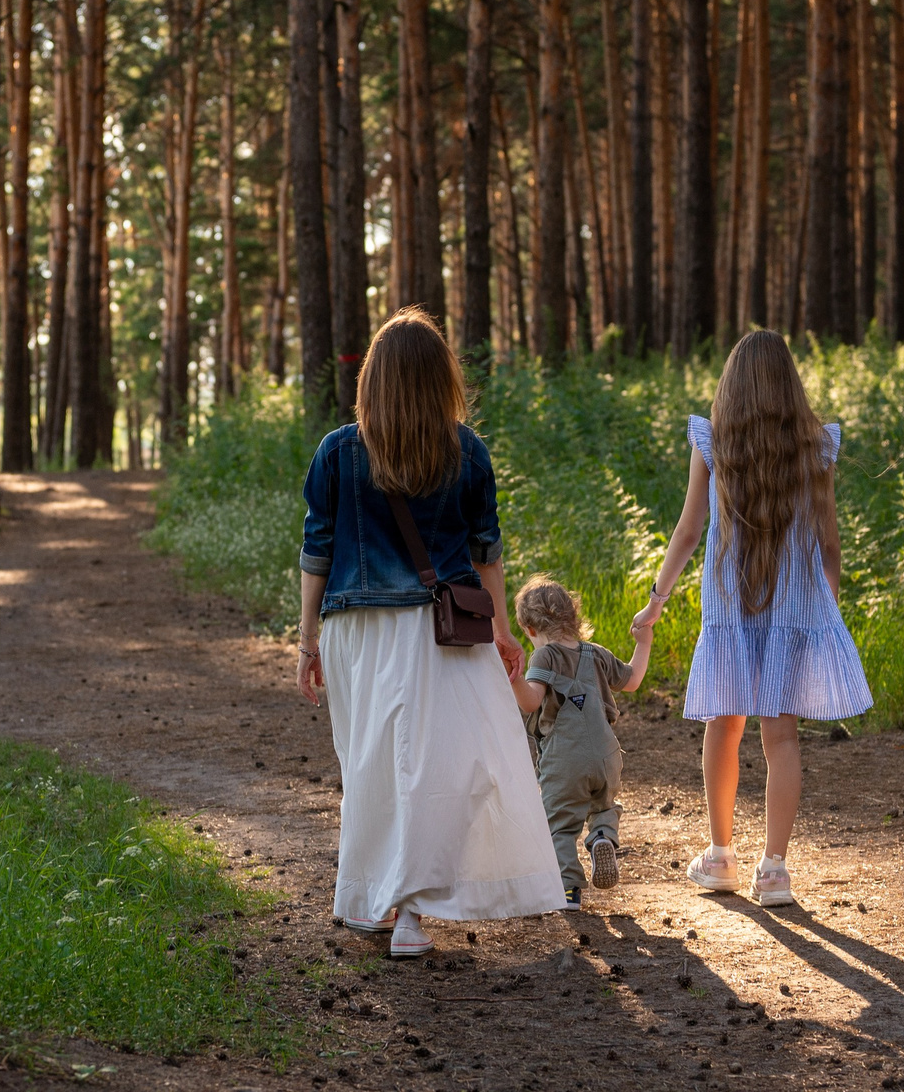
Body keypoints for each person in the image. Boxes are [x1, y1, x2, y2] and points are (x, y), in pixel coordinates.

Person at [297, 309, 566, 957]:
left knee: (372, 765)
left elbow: (317, 550)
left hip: (355, 627)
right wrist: (501, 630)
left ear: (373, 380)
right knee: (435, 770)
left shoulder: (338, 450)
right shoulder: (466, 449)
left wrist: (307, 637)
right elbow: (487, 553)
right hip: (444, 628)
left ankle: (379, 898)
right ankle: (405, 907)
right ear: (441, 378)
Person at [633, 330, 871, 907]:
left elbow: (689, 531)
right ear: (790, 385)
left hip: (730, 613)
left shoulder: (713, 443)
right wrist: (825, 611)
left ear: (731, 386)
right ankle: (776, 870)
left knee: (724, 725)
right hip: (794, 614)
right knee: (781, 738)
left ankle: (719, 857)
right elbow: (829, 542)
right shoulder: (815, 448)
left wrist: (656, 601)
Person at [511, 575, 653, 908]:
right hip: (606, 755)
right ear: (574, 617)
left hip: (565, 758)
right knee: (603, 807)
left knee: (560, 824)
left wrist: (514, 676)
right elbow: (632, 680)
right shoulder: (598, 654)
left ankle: (568, 889)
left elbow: (531, 702)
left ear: (530, 630)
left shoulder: (544, 657)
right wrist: (643, 643)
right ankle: (603, 836)